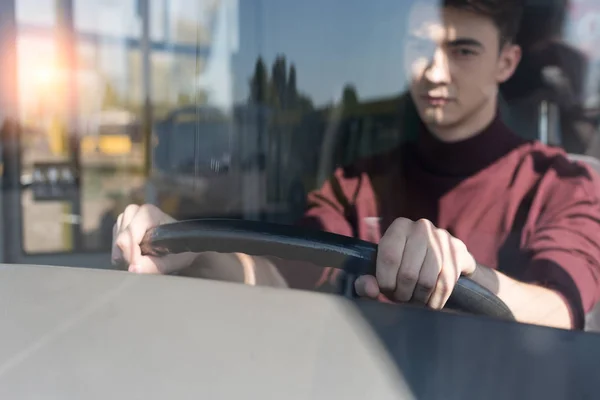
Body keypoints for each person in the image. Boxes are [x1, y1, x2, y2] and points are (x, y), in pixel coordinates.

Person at [112, 0, 600, 330]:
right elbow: (280, 274)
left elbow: (561, 309)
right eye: (419, 46)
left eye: (462, 50)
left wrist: (469, 278)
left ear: (506, 63)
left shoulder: (563, 185)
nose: (433, 69)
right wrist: (195, 251)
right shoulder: (359, 183)